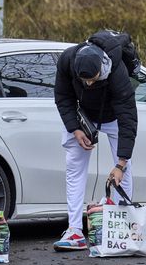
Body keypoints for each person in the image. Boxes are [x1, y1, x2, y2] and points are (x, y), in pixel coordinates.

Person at [52, 41, 137, 251]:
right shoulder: (67, 61)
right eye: (85, 81)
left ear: (102, 68)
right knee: (74, 168)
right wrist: (75, 128)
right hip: (83, 117)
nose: (89, 84)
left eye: (93, 79)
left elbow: (128, 118)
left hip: (115, 116)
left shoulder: (117, 73)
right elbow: (63, 97)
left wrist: (121, 163)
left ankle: (120, 230)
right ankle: (74, 231)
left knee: (123, 174)